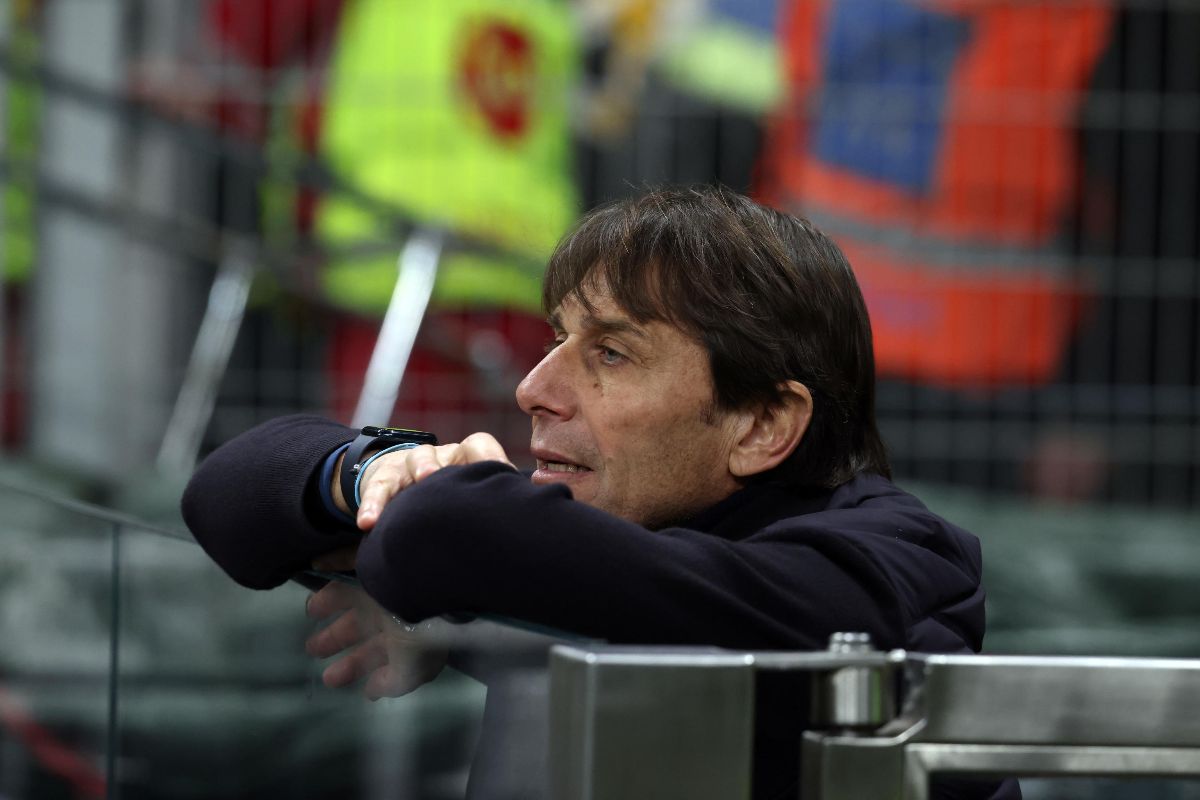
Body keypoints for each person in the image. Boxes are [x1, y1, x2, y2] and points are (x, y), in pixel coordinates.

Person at [182, 185, 1018, 799]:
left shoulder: (893, 564)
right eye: (556, 340)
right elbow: (228, 494)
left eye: (610, 355)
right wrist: (377, 471)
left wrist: (436, 537)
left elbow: (445, 535)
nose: (534, 388)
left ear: (762, 425)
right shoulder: (608, 542)